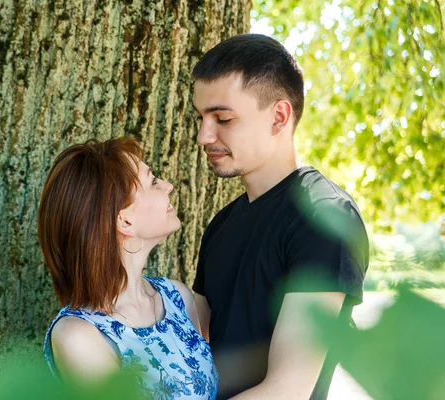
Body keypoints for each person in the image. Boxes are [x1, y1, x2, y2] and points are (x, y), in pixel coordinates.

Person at [190, 34, 369, 399]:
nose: (203, 136)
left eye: (222, 118)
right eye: (201, 117)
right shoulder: (221, 226)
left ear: (279, 116)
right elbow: (196, 345)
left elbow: (288, 390)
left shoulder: (324, 218)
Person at [38, 137, 218, 399]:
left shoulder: (177, 297)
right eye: (153, 182)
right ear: (125, 221)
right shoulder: (79, 336)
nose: (168, 186)